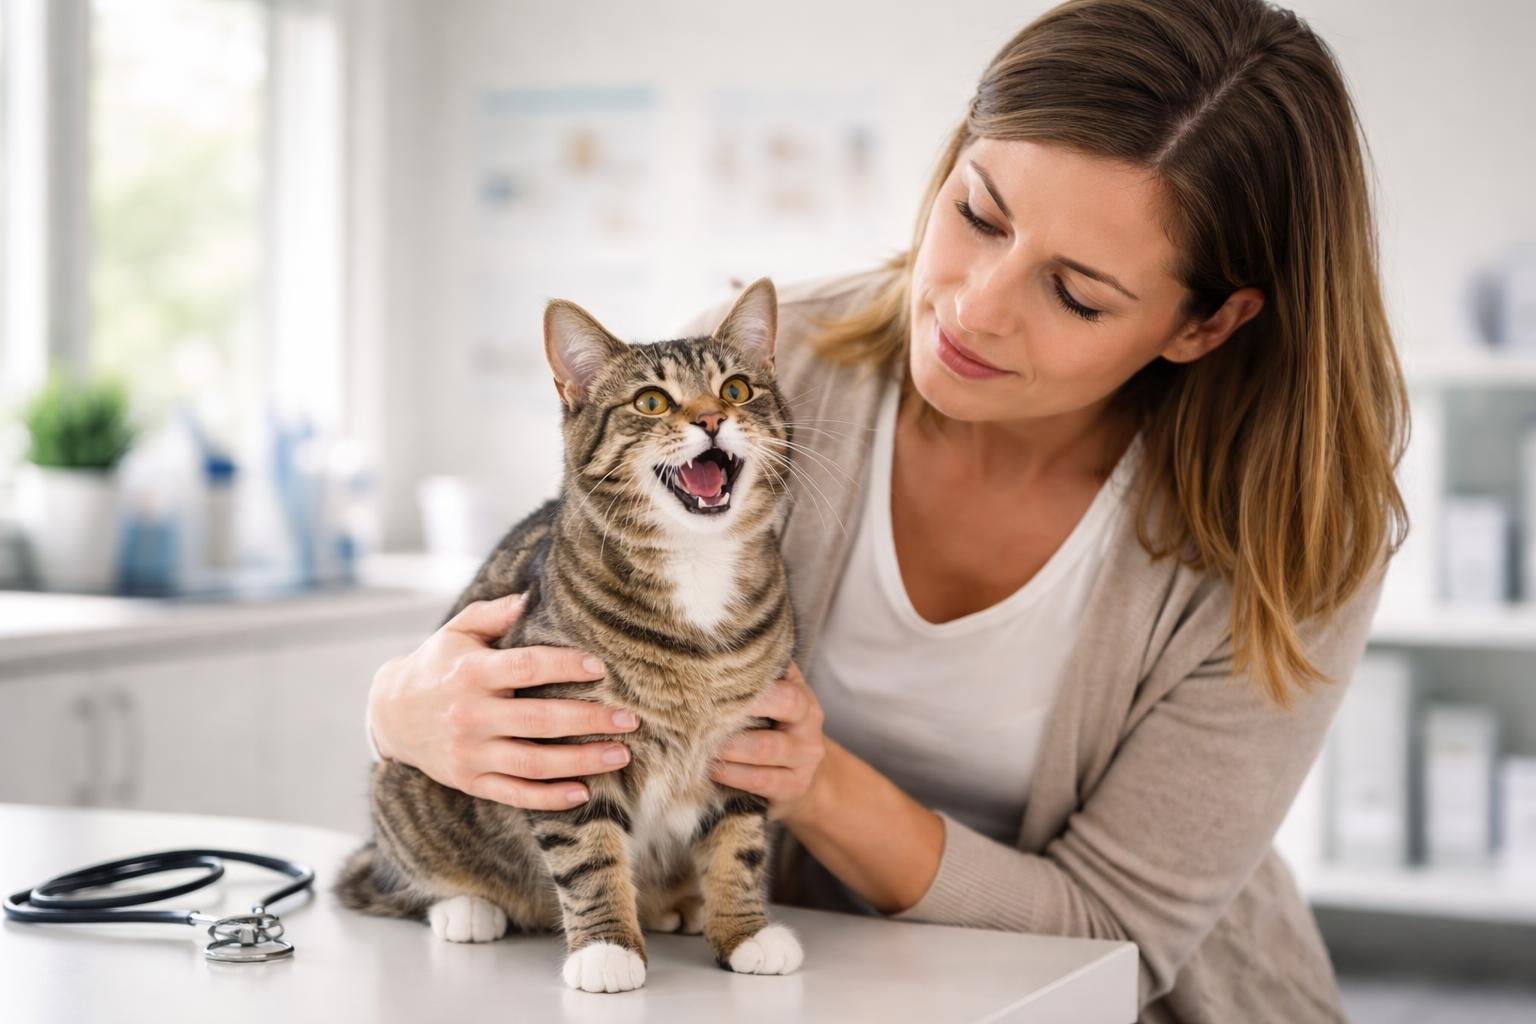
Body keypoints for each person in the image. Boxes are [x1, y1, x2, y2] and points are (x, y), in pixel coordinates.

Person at [366, 0, 1409, 1018]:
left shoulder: (1296, 541)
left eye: (1076, 294)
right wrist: (406, 709)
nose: (972, 306)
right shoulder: (755, 385)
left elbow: (1116, 940)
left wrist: (813, 782)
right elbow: (541, 611)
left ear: (1206, 323)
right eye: (979, 213)